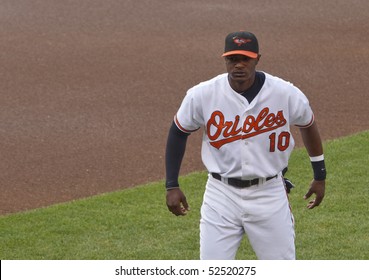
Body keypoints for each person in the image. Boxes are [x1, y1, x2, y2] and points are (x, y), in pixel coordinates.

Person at [164, 31, 326, 260]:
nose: (238, 65)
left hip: (269, 193)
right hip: (221, 195)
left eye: (245, 59)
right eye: (232, 59)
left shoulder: (285, 93)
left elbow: (307, 124)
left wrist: (320, 174)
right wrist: (171, 184)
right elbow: (178, 132)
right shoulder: (202, 94)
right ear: (224, 60)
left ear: (258, 59)